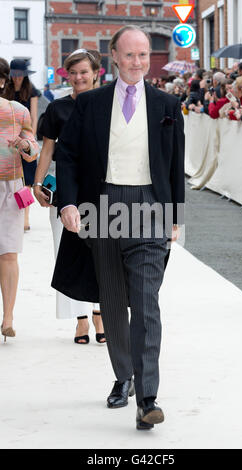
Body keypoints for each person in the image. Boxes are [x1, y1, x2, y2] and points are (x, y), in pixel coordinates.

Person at [52, 25, 185, 430]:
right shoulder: (90, 103)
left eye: (143, 55)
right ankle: (123, 375)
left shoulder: (166, 104)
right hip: (102, 207)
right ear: (113, 56)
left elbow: (175, 162)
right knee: (112, 301)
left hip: (148, 207)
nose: (138, 63)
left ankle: (147, 397)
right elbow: (69, 156)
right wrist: (68, 202)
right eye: (129, 55)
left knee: (146, 303)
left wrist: (175, 216)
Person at [33, 49, 106, 345]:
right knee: (66, 253)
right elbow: (48, 149)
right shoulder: (57, 109)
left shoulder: (109, 105)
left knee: (102, 253)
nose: (78, 78)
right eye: (73, 73)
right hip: (65, 190)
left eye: (83, 72)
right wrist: (37, 183)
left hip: (102, 190)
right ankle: (80, 319)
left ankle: (101, 312)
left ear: (95, 73)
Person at [0, 58, 39, 342]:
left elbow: (33, 147)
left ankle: (8, 316)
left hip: (9, 187)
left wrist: (25, 145)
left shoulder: (18, 111)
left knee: (9, 253)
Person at [3, 59, 39, 231]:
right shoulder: (6, 90)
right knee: (12, 179)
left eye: (20, 75)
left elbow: (33, 117)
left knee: (28, 180)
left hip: (25, 137)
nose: (17, 78)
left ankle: (25, 216)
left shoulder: (31, 91)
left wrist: (30, 140)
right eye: (14, 75)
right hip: (8, 141)